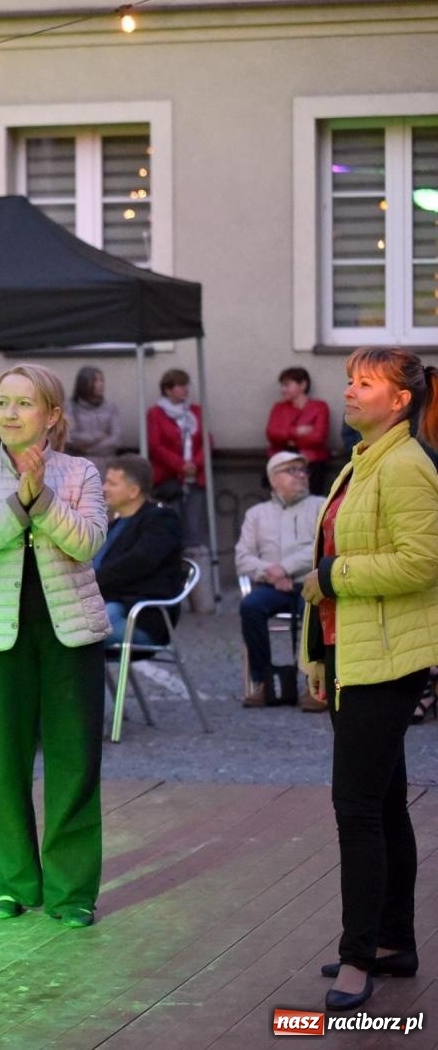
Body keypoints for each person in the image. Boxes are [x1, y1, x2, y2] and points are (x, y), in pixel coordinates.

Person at [297, 348, 438, 1012]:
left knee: (356, 809)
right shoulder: (365, 460)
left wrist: (331, 577)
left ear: (401, 400)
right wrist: (320, 660)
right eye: (349, 379)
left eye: (365, 383)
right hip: (354, 653)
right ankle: (393, 943)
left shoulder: (406, 467)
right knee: (382, 803)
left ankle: (360, 960)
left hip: (388, 659)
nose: (348, 391)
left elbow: (420, 563)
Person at [0, 363, 110, 929]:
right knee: (5, 763)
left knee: (74, 762)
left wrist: (42, 500)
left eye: (23, 404)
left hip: (71, 635)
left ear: (53, 416)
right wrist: (18, 502)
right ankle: (11, 883)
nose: (10, 414)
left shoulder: (82, 472)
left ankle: (71, 892)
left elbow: (87, 543)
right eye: (2, 403)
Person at [235, 451, 326, 710]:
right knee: (250, 606)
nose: (301, 476)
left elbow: (322, 548)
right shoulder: (257, 514)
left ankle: (315, 685)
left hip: (310, 583)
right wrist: (271, 573)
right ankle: (263, 682)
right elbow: (243, 557)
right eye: (292, 471)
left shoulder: (321, 506)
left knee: (314, 608)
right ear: (273, 479)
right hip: (272, 586)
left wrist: (284, 568)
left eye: (303, 471)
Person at [95, 455, 184, 647]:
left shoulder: (162, 520)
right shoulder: (113, 526)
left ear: (133, 491)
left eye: (112, 483)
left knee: (75, 633)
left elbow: (138, 562)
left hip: (138, 616)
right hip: (104, 606)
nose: (104, 488)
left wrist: (87, 581)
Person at [145, 368, 208, 550]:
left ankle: (194, 571)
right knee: (170, 526)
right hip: (169, 480)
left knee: (194, 527)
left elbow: (206, 441)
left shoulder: (195, 411)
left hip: (195, 478)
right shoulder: (156, 413)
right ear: (168, 389)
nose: (186, 390)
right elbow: (155, 445)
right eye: (180, 386)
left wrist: (195, 464)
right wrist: (180, 466)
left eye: (186, 385)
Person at [266, 367, 332, 496]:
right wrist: (296, 432)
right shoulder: (279, 408)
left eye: (287, 385)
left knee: (312, 501)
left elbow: (318, 437)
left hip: (312, 463)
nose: (283, 390)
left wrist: (288, 438)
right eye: (282, 385)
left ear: (302, 385)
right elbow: (272, 433)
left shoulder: (319, 407)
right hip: (282, 463)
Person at [66, 366, 121, 462]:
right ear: (83, 383)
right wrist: (99, 436)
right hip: (79, 462)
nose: (101, 384)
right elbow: (70, 436)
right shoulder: (71, 407)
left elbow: (116, 439)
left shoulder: (111, 408)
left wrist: (89, 450)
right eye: (96, 381)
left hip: (106, 462)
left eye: (102, 380)